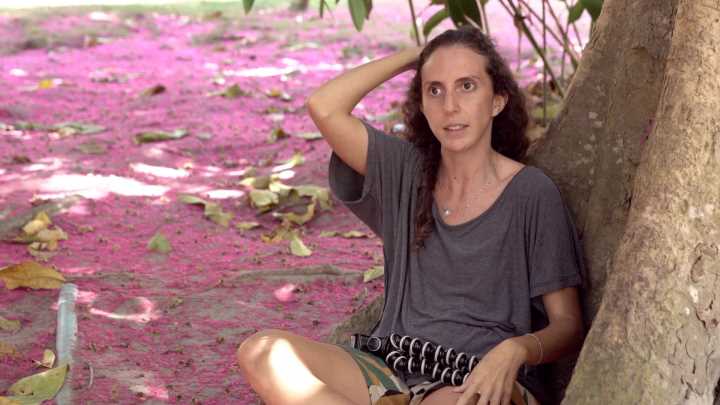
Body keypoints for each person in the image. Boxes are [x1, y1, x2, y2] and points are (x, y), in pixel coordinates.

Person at [237, 26, 586, 405]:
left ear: (497, 101)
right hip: (391, 367)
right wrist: (418, 55)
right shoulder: (407, 170)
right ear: (422, 104)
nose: (450, 105)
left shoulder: (532, 193)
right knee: (262, 352)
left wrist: (516, 350)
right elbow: (324, 106)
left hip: (475, 376)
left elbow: (568, 325)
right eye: (435, 90)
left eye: (467, 86)